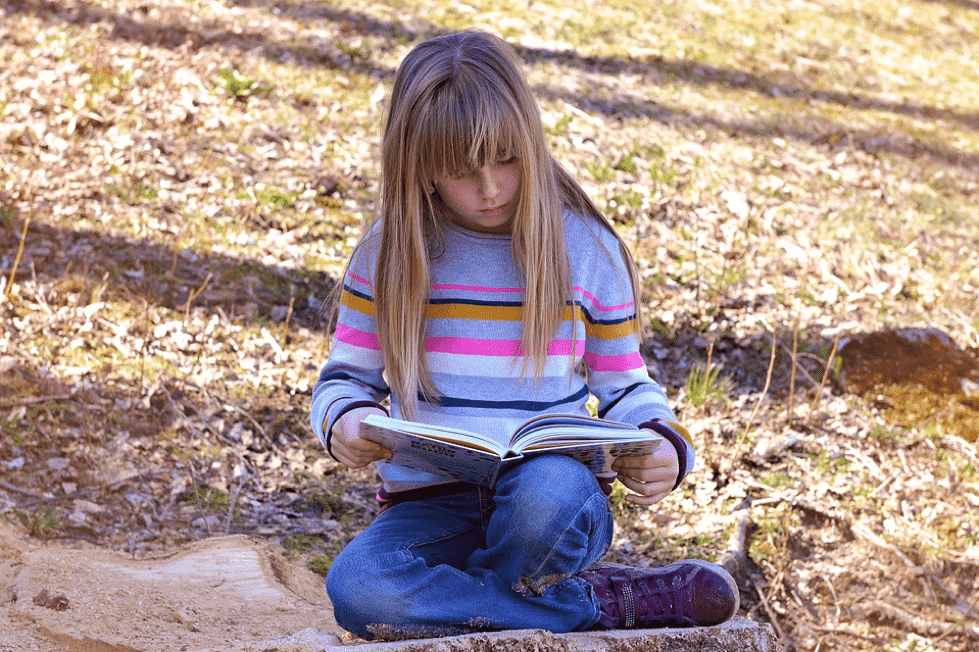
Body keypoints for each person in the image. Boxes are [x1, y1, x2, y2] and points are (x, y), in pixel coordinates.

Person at [309, 30, 739, 640]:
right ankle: (588, 605)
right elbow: (343, 380)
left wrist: (664, 444)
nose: (489, 188)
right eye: (461, 171)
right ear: (419, 164)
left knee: (544, 500)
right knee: (359, 588)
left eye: (506, 159)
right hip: (432, 508)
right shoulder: (389, 255)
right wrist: (344, 422)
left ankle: (474, 607)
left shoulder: (586, 250)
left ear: (531, 144)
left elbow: (626, 387)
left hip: (554, 498)